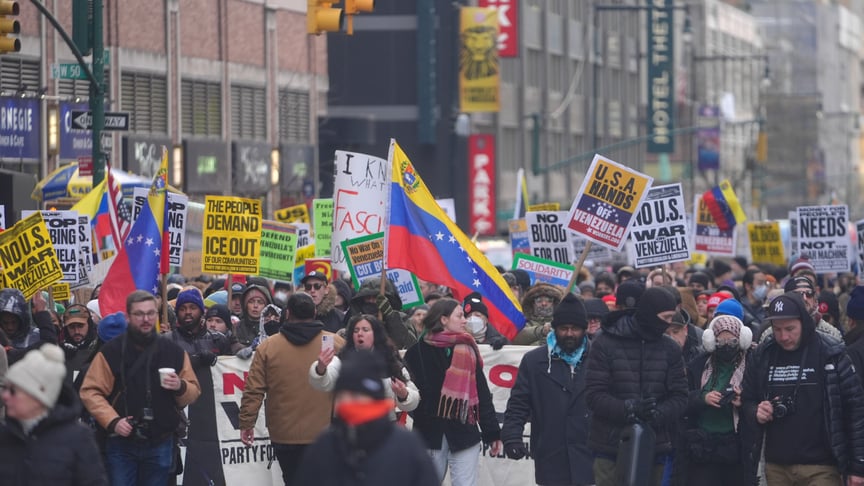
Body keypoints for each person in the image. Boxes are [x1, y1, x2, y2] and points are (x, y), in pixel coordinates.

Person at [740, 292, 864, 485]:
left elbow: (855, 410)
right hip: (776, 466)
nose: (784, 336)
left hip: (822, 466)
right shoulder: (763, 354)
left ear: (804, 322)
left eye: (790, 328)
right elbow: (746, 399)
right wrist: (756, 411)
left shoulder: (831, 353)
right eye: (777, 329)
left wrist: (858, 466)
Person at [80, 290, 201, 486]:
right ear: (128, 317)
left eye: (150, 313)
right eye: (139, 314)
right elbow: (90, 391)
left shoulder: (173, 351)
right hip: (121, 443)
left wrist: (180, 386)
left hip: (160, 441)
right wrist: (113, 421)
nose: (146, 319)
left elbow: (193, 392)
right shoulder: (111, 351)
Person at [584, 287, 688, 486]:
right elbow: (594, 395)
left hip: (655, 444)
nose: (668, 323)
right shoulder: (605, 342)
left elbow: (680, 396)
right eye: (666, 317)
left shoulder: (670, 348)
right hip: (610, 444)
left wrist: (658, 412)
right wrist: (629, 408)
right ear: (650, 313)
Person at [239, 292, 345, 485]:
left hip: (284, 433)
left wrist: (247, 423)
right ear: (314, 312)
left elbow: (253, 390)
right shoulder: (335, 344)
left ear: (287, 314)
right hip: (325, 432)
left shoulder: (268, 347)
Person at [294, 351, 439, 486]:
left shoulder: (405, 444)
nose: (350, 401)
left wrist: (403, 394)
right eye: (345, 394)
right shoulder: (326, 444)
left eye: (358, 396)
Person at [404, 298, 502, 486]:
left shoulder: (468, 349)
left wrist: (492, 433)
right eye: (459, 316)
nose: (465, 320)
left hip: (464, 432)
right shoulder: (416, 353)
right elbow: (409, 396)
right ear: (443, 320)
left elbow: (481, 394)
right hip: (429, 434)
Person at [501, 293, 594, 486]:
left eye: (575, 328)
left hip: (590, 454)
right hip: (551, 452)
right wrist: (512, 437)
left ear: (584, 330)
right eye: (564, 328)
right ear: (554, 328)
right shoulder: (535, 361)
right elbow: (519, 403)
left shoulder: (599, 358)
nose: (569, 334)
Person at [0, 343, 108, 485]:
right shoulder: (4, 435)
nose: (4, 396)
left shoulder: (78, 438)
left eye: (13, 391)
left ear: (38, 396)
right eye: (6, 388)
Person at [166, 288, 232, 485]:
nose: (188, 312)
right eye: (183, 308)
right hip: (181, 417)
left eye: (192, 307)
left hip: (212, 415)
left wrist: (238, 354)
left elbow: (232, 365)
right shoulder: (167, 341)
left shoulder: (218, 339)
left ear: (201, 311)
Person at [684, 315, 752, 484]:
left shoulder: (753, 364)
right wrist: (702, 398)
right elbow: (681, 399)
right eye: (721, 342)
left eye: (732, 342)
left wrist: (743, 401)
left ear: (742, 340)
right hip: (704, 448)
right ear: (711, 342)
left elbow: (760, 398)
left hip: (738, 447)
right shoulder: (698, 365)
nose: (727, 346)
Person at [310, 314, 419, 419]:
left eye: (365, 330)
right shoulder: (341, 360)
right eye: (356, 330)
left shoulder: (390, 361)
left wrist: (403, 394)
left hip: (382, 426)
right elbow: (323, 384)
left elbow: (412, 400)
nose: (360, 334)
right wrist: (321, 369)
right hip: (347, 426)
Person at [346, 277, 417, 349]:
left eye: (375, 297)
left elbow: (411, 345)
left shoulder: (401, 318)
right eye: (368, 297)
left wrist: (390, 317)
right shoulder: (356, 321)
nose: (371, 301)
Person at [0, 288, 58, 365]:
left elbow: (50, 347)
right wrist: (42, 313)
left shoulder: (35, 335)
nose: (10, 327)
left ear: (21, 320)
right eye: (5, 323)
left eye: (14, 322)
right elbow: (49, 343)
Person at [60, 304, 98, 382]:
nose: (76, 331)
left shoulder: (99, 348)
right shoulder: (60, 351)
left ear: (89, 324)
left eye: (80, 326)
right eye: (71, 327)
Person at [234, 282, 272, 348]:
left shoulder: (272, 328)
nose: (255, 306)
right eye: (251, 302)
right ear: (245, 305)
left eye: (260, 302)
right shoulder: (236, 328)